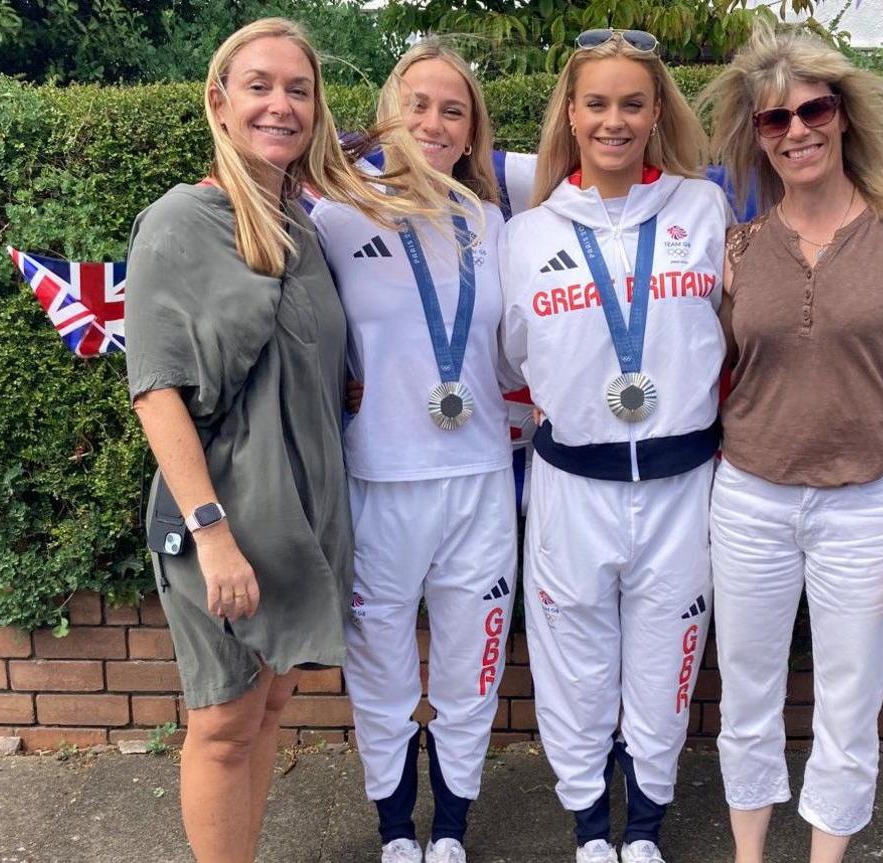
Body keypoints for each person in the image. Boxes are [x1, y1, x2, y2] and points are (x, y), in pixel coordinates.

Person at [123, 18, 469, 863]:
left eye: (299, 90)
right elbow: (156, 391)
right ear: (220, 100)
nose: (281, 104)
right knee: (222, 724)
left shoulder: (302, 224)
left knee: (266, 712)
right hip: (226, 519)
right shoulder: (178, 222)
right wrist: (212, 536)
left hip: (303, 515)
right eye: (260, 85)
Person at [697, 26, 883, 863]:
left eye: (812, 109)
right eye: (774, 120)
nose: (797, 130)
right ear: (757, 136)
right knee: (747, 698)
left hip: (870, 505)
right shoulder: (736, 251)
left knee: (850, 706)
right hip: (749, 501)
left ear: (843, 116)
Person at [500, 28, 732, 863]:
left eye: (633, 103)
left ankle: (645, 830)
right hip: (574, 486)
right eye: (596, 103)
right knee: (574, 670)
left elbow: (735, 331)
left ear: (657, 112)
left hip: (682, 482)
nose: (614, 120)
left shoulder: (703, 209)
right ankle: (591, 827)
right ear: (571, 111)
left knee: (669, 661)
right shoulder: (525, 236)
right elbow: (509, 356)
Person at [308, 40, 515, 863]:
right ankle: (398, 832)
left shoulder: (493, 223)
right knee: (382, 674)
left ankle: (452, 831)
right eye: (416, 104)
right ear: (387, 116)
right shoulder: (332, 218)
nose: (432, 122)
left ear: (471, 134)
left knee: (472, 671)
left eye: (451, 110)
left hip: (479, 481)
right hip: (380, 479)